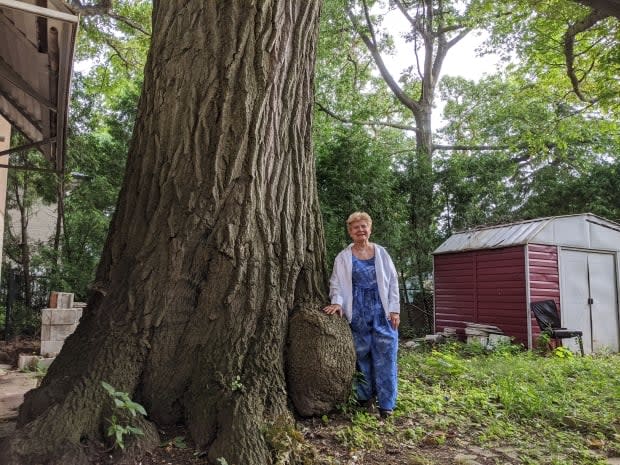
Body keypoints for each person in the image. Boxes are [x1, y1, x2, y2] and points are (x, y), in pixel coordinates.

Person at [323, 211, 400, 418]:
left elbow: (393, 281)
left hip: (382, 310)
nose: (360, 230)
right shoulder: (343, 257)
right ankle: (365, 398)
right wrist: (337, 303)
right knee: (361, 355)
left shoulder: (381, 253)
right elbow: (336, 283)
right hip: (357, 310)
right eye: (356, 227)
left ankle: (387, 404)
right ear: (350, 232)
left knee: (386, 354)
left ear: (370, 228)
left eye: (363, 226)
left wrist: (394, 309)